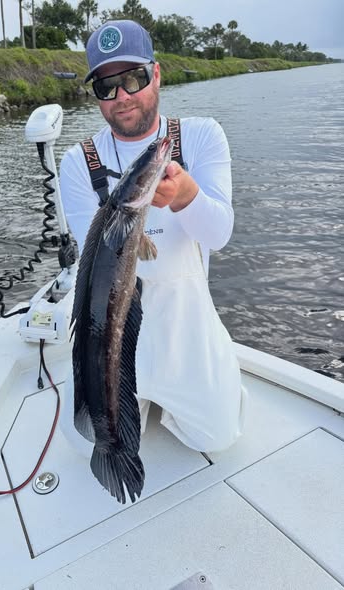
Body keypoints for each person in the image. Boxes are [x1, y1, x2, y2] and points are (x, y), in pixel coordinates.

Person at [60, 20, 246, 453]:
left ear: (156, 74)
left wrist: (186, 196)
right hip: (117, 328)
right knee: (88, 440)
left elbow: (219, 234)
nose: (122, 96)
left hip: (187, 325)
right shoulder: (77, 162)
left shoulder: (201, 136)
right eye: (106, 86)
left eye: (133, 78)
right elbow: (96, 268)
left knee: (218, 439)